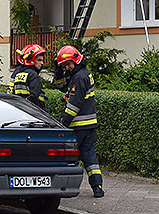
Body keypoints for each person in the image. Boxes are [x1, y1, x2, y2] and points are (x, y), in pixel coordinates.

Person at [56, 45, 104, 198]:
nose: (67, 67)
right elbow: (62, 87)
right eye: (65, 65)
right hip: (89, 125)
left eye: (68, 64)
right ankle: (97, 187)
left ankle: (66, 186)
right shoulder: (82, 74)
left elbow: (74, 104)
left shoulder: (79, 77)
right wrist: (58, 73)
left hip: (78, 126)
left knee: (70, 157)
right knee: (90, 157)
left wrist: (63, 121)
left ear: (76, 60)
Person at [11, 44, 47, 110]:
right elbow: (33, 96)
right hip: (35, 110)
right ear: (32, 60)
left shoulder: (18, 74)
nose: (42, 63)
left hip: (21, 109)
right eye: (39, 60)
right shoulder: (34, 76)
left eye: (42, 60)